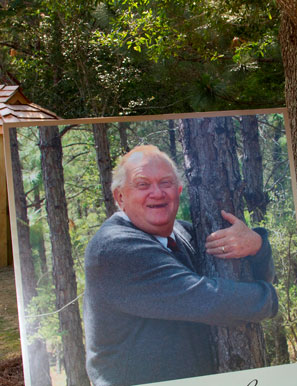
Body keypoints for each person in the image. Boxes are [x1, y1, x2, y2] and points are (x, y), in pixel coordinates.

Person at [83, 145, 278, 386]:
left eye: (165, 183)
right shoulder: (113, 249)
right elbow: (206, 301)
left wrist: (257, 245)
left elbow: (251, 277)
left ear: (178, 191)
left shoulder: (184, 233)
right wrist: (270, 298)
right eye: (143, 184)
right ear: (120, 197)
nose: (157, 193)